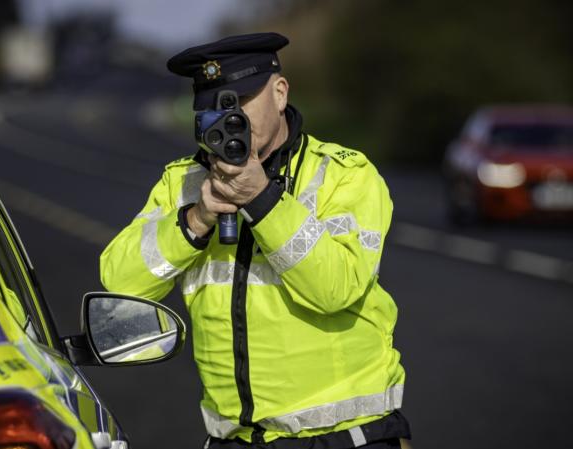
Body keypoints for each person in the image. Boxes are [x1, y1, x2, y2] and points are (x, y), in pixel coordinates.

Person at [100, 32, 411, 448]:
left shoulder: (344, 175)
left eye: (239, 102)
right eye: (212, 107)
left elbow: (336, 288)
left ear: (280, 93)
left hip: (344, 436)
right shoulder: (183, 182)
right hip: (236, 439)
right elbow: (120, 284)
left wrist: (261, 199)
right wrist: (196, 219)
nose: (228, 119)